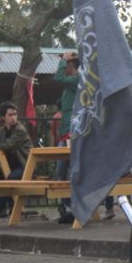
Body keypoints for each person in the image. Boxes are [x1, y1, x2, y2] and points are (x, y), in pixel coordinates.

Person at [0, 101, 33, 218]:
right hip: (10, 165)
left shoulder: (20, 130)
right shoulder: (3, 130)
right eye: (10, 115)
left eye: (15, 114)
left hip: (24, 166)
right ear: (3, 117)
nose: (13, 117)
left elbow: (8, 146)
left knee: (11, 178)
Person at [54, 52, 79, 223]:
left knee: (71, 171)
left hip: (73, 132)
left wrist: (63, 60)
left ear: (72, 66)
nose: (63, 68)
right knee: (60, 170)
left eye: (66, 65)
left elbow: (58, 77)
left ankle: (72, 206)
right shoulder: (69, 85)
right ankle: (65, 205)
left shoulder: (77, 80)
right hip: (65, 132)